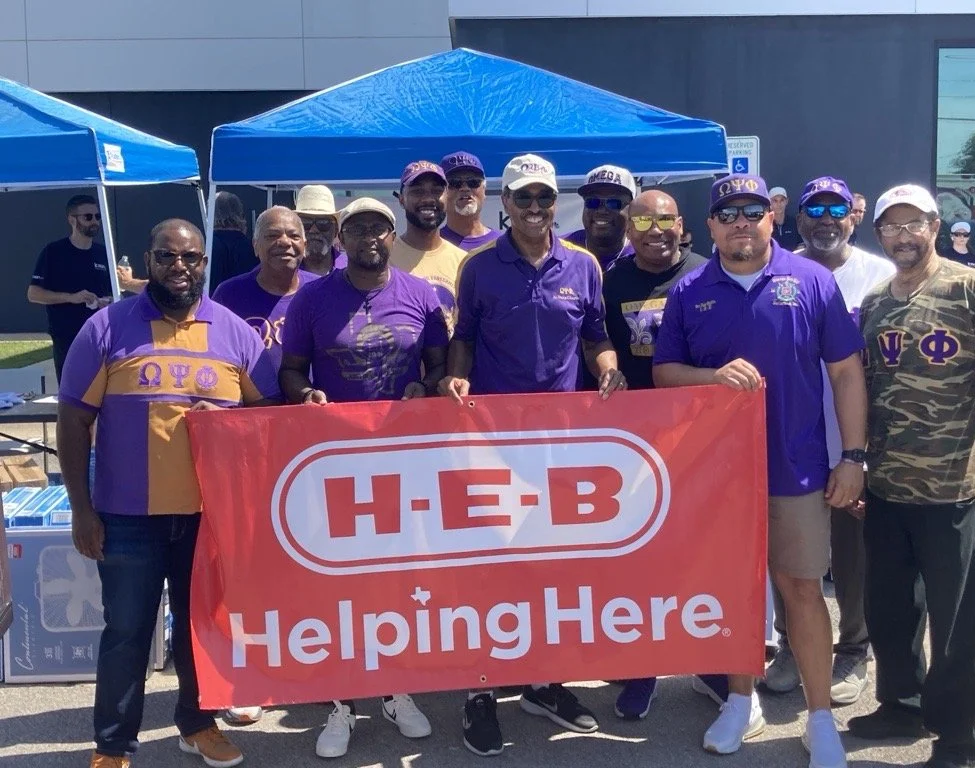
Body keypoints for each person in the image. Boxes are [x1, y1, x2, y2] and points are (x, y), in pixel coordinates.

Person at [652, 173, 867, 768]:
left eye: (751, 210)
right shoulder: (690, 288)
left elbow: (847, 373)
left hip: (797, 467)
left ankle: (820, 717)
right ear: (712, 225)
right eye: (727, 213)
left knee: (801, 589)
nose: (740, 221)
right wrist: (712, 377)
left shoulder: (811, 281)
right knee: (735, 590)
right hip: (718, 474)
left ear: (772, 217)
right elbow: (665, 373)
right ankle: (739, 699)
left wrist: (853, 456)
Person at [57, 219, 280, 768]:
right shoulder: (107, 328)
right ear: (148, 260)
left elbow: (270, 413)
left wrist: (226, 424)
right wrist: (80, 510)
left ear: (205, 263)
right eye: (167, 257)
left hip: (208, 517)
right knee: (127, 633)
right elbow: (70, 420)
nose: (180, 267)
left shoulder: (232, 331)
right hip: (127, 516)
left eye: (191, 258)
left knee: (201, 629)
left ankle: (197, 724)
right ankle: (112, 745)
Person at [440, 153, 627, 757]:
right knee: (489, 567)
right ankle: (479, 692)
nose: (536, 208)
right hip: (493, 442)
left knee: (554, 569)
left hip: (562, 442)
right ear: (506, 204)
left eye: (545, 198)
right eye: (524, 198)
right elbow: (463, 337)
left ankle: (545, 683)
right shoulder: (477, 268)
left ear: (554, 203)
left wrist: (608, 367)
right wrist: (457, 378)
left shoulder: (583, 264)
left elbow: (595, 332)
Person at [849, 185, 975, 768]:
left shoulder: (970, 287)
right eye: (891, 226)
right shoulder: (874, 303)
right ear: (880, 235)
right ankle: (902, 704)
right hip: (888, 486)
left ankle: (957, 736)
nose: (903, 235)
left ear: (935, 225)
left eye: (913, 223)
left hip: (952, 489)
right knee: (891, 610)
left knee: (956, 622)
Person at [279, 197, 445, 760]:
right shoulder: (312, 298)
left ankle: (397, 690)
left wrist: (428, 385)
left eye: (378, 227)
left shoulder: (420, 295)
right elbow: (290, 368)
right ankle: (341, 702)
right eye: (357, 229)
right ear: (340, 238)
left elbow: (441, 364)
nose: (368, 236)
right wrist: (305, 394)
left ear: (392, 235)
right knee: (340, 586)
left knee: (397, 583)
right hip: (336, 463)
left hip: (403, 460)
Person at [765, 176, 895, 706]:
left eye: (835, 208)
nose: (824, 218)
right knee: (789, 554)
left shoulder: (881, 277)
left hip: (851, 440)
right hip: (792, 438)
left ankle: (853, 648)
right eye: (813, 208)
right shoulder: (779, 272)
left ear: (854, 216)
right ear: (797, 220)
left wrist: (861, 452)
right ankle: (794, 648)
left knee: (850, 553)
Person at [600, 189, 711, 719]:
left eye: (664, 219)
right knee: (639, 561)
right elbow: (593, 346)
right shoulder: (611, 280)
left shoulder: (705, 275)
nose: (655, 229)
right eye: (642, 220)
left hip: (700, 441)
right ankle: (642, 670)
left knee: (702, 559)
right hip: (632, 447)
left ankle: (715, 666)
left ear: (681, 224)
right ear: (629, 227)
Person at [213, 206, 314, 375]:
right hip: (251, 400)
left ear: (304, 246)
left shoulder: (319, 291)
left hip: (313, 400)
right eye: (272, 235)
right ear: (255, 246)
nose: (284, 242)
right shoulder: (229, 295)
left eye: (294, 236)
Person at [27, 195, 114, 383]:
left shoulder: (103, 253)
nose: (95, 221)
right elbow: (34, 294)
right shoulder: (54, 252)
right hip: (67, 338)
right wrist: (71, 297)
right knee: (72, 396)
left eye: (97, 216)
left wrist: (106, 301)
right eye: (88, 217)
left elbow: (112, 292)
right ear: (72, 220)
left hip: (102, 336)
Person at [390, 160, 467, 332]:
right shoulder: (385, 259)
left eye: (436, 191)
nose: (427, 199)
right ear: (401, 199)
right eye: (417, 191)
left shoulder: (465, 261)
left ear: (447, 197)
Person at [564, 165, 637, 271]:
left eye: (613, 203)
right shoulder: (560, 250)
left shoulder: (642, 254)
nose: (601, 210)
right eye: (593, 202)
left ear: (632, 208)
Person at [439, 151, 501, 251]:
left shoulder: (504, 244)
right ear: (441, 193)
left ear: (484, 190)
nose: (465, 188)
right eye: (455, 182)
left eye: (473, 182)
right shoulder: (430, 245)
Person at [209, 191, 259, 292]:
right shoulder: (253, 247)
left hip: (215, 303)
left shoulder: (208, 247)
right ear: (240, 213)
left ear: (211, 214)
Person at [294, 185, 346, 276]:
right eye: (305, 222)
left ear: (336, 230)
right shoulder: (283, 270)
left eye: (323, 223)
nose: (313, 230)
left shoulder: (351, 270)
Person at [768, 185, 802, 250]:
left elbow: (801, 245)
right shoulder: (765, 224)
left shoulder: (794, 223)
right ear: (770, 203)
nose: (779, 204)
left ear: (786, 201)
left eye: (782, 200)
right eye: (775, 201)